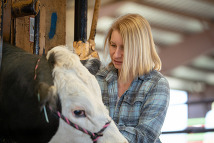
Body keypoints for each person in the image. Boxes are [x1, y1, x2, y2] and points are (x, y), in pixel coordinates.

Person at [95, 14, 170, 143]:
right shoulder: (98, 78)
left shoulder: (156, 84)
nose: (116, 54)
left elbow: (144, 137)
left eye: (124, 47)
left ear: (140, 49)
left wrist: (99, 131)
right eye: (113, 45)